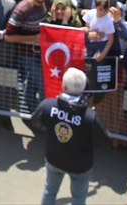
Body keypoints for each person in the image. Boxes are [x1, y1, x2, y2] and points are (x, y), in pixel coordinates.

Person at [36, 68, 100, 205]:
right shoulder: (90, 116)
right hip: (80, 165)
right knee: (78, 198)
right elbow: (105, 141)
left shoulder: (47, 105)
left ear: (63, 86)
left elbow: (35, 121)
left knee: (50, 191)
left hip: (54, 159)